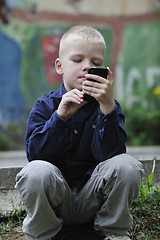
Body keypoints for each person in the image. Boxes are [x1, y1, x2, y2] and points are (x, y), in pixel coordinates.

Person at [15, 25, 144, 240]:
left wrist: (107, 108)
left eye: (95, 63)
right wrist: (60, 117)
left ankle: (112, 232)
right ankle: (42, 234)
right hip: (58, 200)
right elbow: (36, 157)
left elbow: (112, 158)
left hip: (94, 200)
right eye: (77, 60)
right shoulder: (45, 106)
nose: (87, 67)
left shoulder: (109, 106)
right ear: (59, 66)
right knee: (36, 171)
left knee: (127, 165)